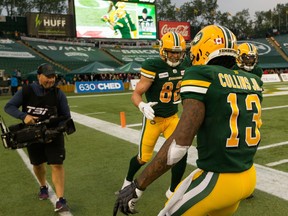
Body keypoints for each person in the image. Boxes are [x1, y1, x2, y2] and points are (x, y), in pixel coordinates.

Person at [113, 25, 263, 216]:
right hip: (248, 175)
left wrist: (138, 185)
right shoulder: (252, 80)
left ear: (201, 49)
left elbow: (179, 146)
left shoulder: (201, 75)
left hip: (218, 179)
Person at [117, 31, 188, 199]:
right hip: (154, 119)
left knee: (181, 152)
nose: (174, 55)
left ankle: (173, 191)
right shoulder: (153, 65)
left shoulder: (186, 66)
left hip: (172, 118)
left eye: (178, 52)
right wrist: (142, 105)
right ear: (163, 50)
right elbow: (136, 94)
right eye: (171, 51)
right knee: (143, 158)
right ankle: (127, 181)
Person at [4, 63, 71, 213]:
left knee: (57, 164)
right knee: (37, 164)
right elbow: (9, 106)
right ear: (39, 76)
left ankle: (61, 199)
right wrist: (24, 116)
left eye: (53, 76)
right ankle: (43, 186)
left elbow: (66, 116)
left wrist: (56, 127)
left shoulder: (58, 94)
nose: (51, 79)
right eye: (48, 76)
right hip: (32, 134)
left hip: (53, 135)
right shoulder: (26, 91)